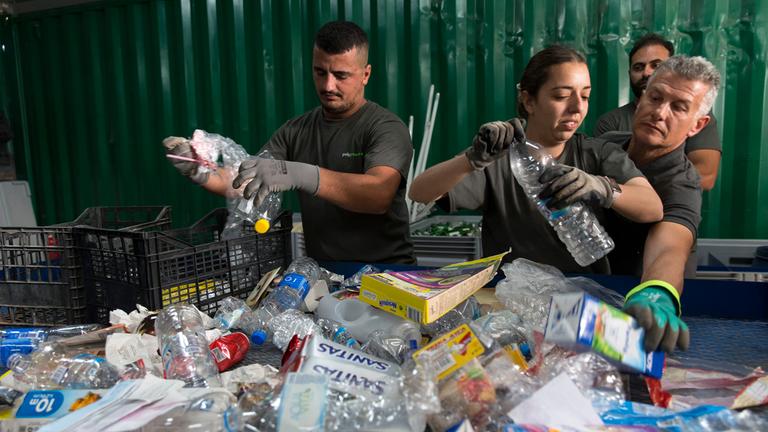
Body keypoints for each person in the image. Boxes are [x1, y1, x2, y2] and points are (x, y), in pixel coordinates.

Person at [164, 21, 415, 264]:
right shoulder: (296, 130)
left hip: (388, 274)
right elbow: (248, 182)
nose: (328, 85)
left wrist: (301, 174)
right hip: (325, 275)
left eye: (341, 75)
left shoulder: (385, 128)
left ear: (365, 74)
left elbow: (378, 195)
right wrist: (201, 171)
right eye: (320, 72)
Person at [408, 46, 663, 274]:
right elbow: (419, 192)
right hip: (512, 297)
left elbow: (652, 207)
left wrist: (602, 187)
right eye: (562, 96)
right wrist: (471, 160)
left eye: (584, 96)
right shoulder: (498, 158)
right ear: (529, 100)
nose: (577, 108)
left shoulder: (597, 153)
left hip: (583, 295)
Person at [601, 56, 721, 354]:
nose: (659, 112)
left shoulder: (683, 183)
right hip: (593, 300)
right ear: (641, 99)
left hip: (645, 318)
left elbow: (670, 246)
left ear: (697, 125)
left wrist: (656, 292)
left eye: (679, 107)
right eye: (655, 97)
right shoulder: (603, 147)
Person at [593, 33, 721, 191]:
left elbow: (705, 177)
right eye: (638, 67)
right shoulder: (610, 124)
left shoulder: (694, 118)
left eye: (656, 65)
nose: (647, 72)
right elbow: (601, 174)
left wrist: (640, 192)